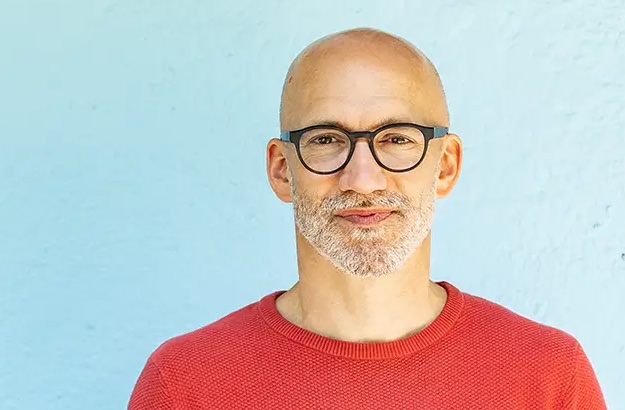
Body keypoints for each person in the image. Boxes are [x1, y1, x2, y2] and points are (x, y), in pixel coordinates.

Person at [128, 28, 606, 409]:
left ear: (445, 165)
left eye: (397, 139)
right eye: (325, 139)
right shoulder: (184, 384)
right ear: (281, 170)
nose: (362, 179)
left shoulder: (549, 376)